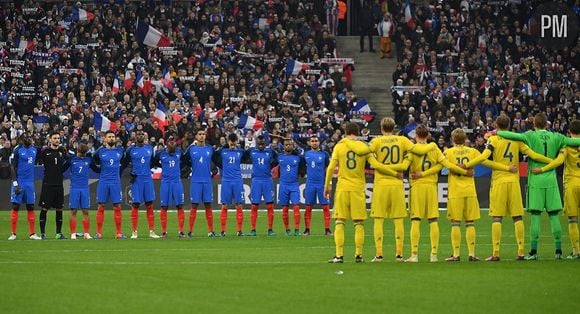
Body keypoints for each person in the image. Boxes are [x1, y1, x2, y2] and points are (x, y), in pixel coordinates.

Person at [345, 117, 436, 262]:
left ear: (381, 129)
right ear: (394, 128)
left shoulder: (376, 141)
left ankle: (379, 254)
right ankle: (399, 254)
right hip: (397, 184)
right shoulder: (402, 140)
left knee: (379, 219)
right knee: (398, 219)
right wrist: (431, 146)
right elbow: (418, 150)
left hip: (381, 184)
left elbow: (363, 152)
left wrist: (348, 142)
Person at [466, 115, 553, 261]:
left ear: (496, 124)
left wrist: (467, 165)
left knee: (497, 218)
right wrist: (551, 161)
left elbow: (483, 158)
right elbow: (533, 154)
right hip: (513, 182)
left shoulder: (493, 140)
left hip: (499, 181)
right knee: (517, 217)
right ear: (509, 124)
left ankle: (496, 253)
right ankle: (520, 252)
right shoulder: (516, 139)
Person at [498, 113, 580, 259]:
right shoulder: (557, 137)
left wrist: (496, 132)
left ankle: (533, 252)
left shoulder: (530, 135)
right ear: (547, 124)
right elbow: (573, 141)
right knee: (554, 215)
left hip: (535, 178)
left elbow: (511, 136)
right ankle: (559, 251)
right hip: (551, 179)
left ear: (534, 123)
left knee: (535, 216)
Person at [325, 123, 400, 263]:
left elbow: (330, 168)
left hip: (342, 187)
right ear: (358, 132)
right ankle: (358, 255)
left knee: (340, 222)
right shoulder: (364, 148)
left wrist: (327, 186)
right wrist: (394, 172)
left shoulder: (340, 146)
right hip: (358, 188)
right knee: (358, 223)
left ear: (346, 132)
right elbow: (377, 165)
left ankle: (339, 255)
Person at [444, 128, 515, 262]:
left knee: (455, 223)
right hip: (470, 191)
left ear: (452, 140)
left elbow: (443, 165)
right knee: (470, 223)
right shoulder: (473, 151)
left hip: (455, 192)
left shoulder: (447, 152)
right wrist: (507, 168)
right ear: (465, 139)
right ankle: (471, 254)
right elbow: (487, 162)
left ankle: (456, 254)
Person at [406, 125, 471, 262]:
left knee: (416, 220)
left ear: (416, 135)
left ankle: (414, 254)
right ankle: (434, 255)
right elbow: (445, 164)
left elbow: (404, 166)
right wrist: (465, 172)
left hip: (417, 186)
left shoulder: (412, 150)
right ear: (428, 135)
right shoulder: (434, 149)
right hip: (431, 186)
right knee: (433, 220)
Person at [531, 119, 580, 259]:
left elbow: (559, 161)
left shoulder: (567, 145)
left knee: (573, 219)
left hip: (572, 183)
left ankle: (576, 251)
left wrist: (542, 169)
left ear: (569, 131)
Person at [126, 130, 160, 239]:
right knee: (135, 204)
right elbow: (126, 163)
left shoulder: (150, 148)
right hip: (137, 180)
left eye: (142, 134)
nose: (140, 135)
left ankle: (151, 231)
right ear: (135, 137)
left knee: (149, 204)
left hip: (147, 179)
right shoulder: (130, 150)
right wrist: (130, 173)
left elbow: (154, 162)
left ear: (145, 136)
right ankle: (134, 232)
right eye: (138, 134)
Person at [93, 130, 126, 239]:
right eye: (109, 137)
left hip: (115, 182)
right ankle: (98, 233)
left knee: (117, 206)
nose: (111, 138)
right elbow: (94, 160)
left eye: (113, 136)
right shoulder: (100, 152)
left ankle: (118, 233)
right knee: (101, 206)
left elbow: (124, 164)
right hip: (103, 181)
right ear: (105, 139)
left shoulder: (120, 151)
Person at [8, 133, 42, 240]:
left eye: (30, 138)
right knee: (15, 206)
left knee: (31, 207)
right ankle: (13, 233)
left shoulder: (34, 149)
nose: (29, 139)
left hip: (29, 183)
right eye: (26, 137)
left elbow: (45, 151)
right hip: (20, 182)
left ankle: (32, 234)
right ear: (22, 139)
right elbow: (12, 167)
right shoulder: (17, 150)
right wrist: (15, 184)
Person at [184, 128, 216, 237]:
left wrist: (214, 171)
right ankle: (190, 231)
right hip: (196, 181)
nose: (202, 136)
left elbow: (216, 161)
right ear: (196, 137)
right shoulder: (192, 149)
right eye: (200, 134)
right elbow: (184, 160)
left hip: (207, 181)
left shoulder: (210, 149)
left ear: (205, 136)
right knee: (194, 205)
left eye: (203, 134)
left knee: (208, 205)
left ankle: (211, 231)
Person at [38, 131, 68, 239]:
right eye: (55, 138)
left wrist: (60, 171)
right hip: (48, 184)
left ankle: (58, 233)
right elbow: (37, 157)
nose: (57, 140)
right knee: (44, 208)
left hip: (59, 185)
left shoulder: (62, 152)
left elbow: (68, 162)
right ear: (50, 139)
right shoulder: (45, 151)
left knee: (59, 209)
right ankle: (42, 234)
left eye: (58, 138)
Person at [213, 133, 245, 237]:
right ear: (228, 142)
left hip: (237, 181)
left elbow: (247, 156)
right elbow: (214, 156)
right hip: (226, 181)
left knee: (239, 205)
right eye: (230, 142)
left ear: (236, 142)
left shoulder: (240, 152)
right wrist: (221, 165)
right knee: (225, 205)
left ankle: (239, 230)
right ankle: (223, 231)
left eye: (234, 141)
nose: (232, 144)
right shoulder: (223, 151)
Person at [65, 143, 98, 240]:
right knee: (73, 210)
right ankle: (73, 233)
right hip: (74, 188)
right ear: (77, 151)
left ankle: (86, 233)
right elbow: (62, 168)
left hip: (84, 188)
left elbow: (97, 169)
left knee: (85, 211)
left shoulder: (89, 160)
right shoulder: (71, 159)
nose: (82, 155)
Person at [247, 135, 278, 236]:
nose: (261, 145)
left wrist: (271, 165)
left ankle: (270, 229)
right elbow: (243, 157)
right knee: (254, 206)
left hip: (267, 180)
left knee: (270, 206)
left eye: (262, 143)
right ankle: (253, 229)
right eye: (259, 143)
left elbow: (278, 158)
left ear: (265, 143)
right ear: (256, 142)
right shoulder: (252, 151)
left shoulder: (270, 151)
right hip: (256, 181)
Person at [154, 140, 186, 238]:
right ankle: (164, 232)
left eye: (174, 148)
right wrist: (163, 165)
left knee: (180, 206)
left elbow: (185, 161)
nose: (172, 150)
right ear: (167, 147)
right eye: (170, 148)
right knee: (164, 207)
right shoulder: (161, 154)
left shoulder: (179, 152)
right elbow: (154, 162)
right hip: (166, 182)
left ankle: (181, 232)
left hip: (177, 182)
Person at [303, 135, 332, 236]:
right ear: (309, 143)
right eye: (312, 141)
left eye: (316, 141)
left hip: (321, 184)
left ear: (319, 142)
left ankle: (327, 230)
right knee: (308, 207)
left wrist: (329, 183)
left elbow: (329, 169)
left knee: (325, 207)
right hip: (310, 184)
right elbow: (302, 167)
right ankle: (307, 230)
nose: (314, 142)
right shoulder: (306, 154)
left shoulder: (324, 154)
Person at [278, 139, 305, 236]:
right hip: (283, 185)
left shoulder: (298, 157)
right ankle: (287, 229)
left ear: (293, 146)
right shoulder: (279, 157)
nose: (288, 146)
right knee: (284, 209)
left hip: (294, 185)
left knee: (296, 207)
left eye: (290, 144)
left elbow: (303, 167)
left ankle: (297, 230)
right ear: (283, 146)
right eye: (286, 145)